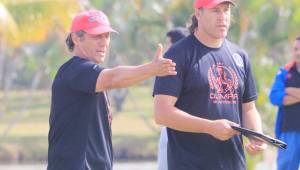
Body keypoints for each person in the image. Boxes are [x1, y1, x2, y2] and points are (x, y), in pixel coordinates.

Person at [47, 10, 177, 170]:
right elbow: (112, 78)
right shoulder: (75, 70)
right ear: (76, 38)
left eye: (106, 36)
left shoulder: (89, 76)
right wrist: (151, 69)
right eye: (96, 36)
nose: (104, 42)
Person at [153, 0, 267, 170]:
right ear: (198, 13)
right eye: (215, 11)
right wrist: (209, 127)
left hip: (234, 164)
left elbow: (248, 109)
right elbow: (162, 113)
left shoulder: (240, 56)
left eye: (226, 10)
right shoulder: (177, 54)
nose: (223, 17)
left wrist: (256, 135)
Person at [157, 27, 189, 170]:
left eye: (168, 44)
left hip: (178, 130)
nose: (166, 48)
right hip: (170, 126)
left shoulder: (172, 67)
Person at [269, 36, 300, 170]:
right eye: (295, 49)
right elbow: (274, 96)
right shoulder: (284, 72)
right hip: (287, 133)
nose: (297, 52)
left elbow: (281, 94)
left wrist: (289, 90)